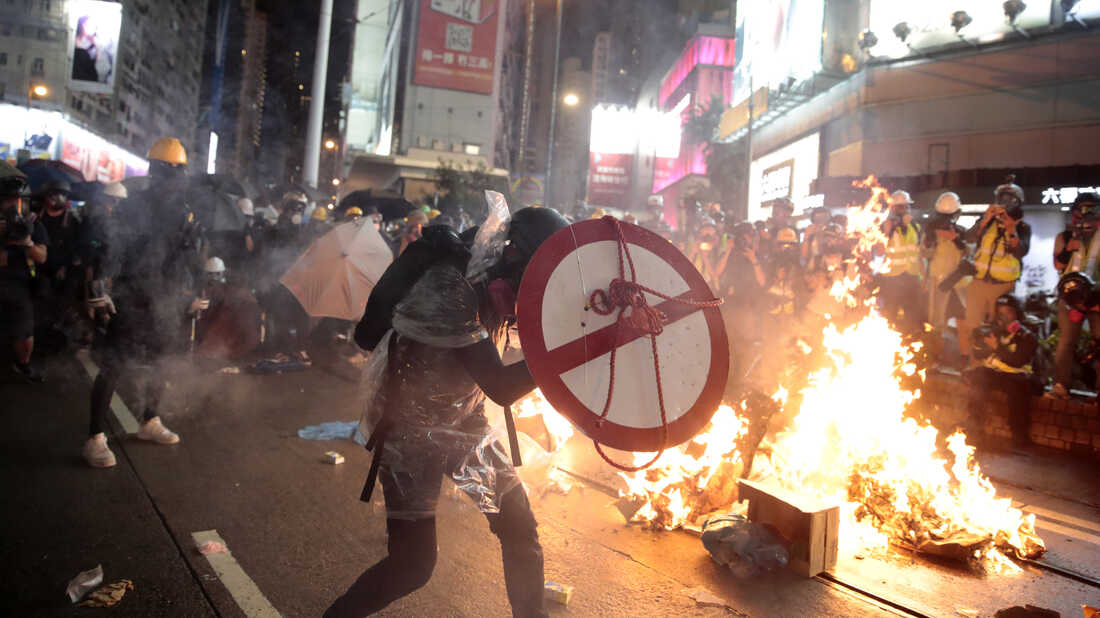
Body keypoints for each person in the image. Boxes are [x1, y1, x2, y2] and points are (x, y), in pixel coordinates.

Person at [327, 208, 569, 618]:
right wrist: (575, 352)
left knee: (519, 527)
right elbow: (501, 386)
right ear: (513, 255)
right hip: (407, 430)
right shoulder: (451, 288)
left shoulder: (499, 278)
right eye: (536, 279)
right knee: (412, 566)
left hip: (464, 421)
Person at [82, 137, 208, 468]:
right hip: (132, 296)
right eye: (171, 171)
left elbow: (187, 258)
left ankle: (150, 420)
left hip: (166, 298)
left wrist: (196, 288)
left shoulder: (184, 212)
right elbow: (112, 247)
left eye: (179, 171)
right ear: (156, 171)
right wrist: (100, 287)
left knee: (161, 361)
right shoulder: (133, 206)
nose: (176, 178)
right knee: (114, 364)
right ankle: (95, 437)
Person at [959, 177, 1031, 366]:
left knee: (998, 329)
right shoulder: (987, 222)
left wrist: (1011, 229)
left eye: (1010, 199)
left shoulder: (1023, 227)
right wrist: (985, 220)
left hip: (1002, 287)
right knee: (972, 326)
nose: (1004, 203)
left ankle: (995, 368)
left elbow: (1021, 251)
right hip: (979, 282)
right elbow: (968, 237)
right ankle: (974, 368)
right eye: (1002, 198)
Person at [965, 294, 1039, 446]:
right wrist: (979, 342)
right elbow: (979, 355)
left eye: (1008, 312)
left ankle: (1019, 434)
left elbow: (1018, 361)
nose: (1004, 317)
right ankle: (974, 427)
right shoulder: (994, 331)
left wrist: (997, 347)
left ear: (1017, 313)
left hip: (1016, 375)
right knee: (978, 380)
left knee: (1017, 391)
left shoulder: (1026, 336)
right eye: (1000, 313)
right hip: (994, 373)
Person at [0, 162, 48, 382]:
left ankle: (22, 364)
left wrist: (27, 243)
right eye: (9, 200)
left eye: (19, 201)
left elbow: (42, 256)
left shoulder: (34, 225)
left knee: (25, 332)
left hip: (20, 287)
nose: (14, 206)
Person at [1050, 192, 1100, 398]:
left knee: (1099, 343)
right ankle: (1060, 386)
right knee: (1066, 343)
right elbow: (1058, 264)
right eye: (1082, 209)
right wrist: (1069, 248)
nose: (1086, 215)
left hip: (1097, 298)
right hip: (1070, 299)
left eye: (1091, 209)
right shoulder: (1065, 236)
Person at [34, 179, 83, 339]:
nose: (58, 197)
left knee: (59, 309)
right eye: (55, 194)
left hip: (62, 274)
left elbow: (76, 248)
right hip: (38, 270)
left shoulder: (73, 221)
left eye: (63, 194)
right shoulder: (36, 218)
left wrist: (66, 267)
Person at [875, 190, 924, 333]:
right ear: (893, 208)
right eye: (901, 206)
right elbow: (879, 252)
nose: (906, 209)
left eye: (907, 206)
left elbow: (919, 254)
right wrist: (888, 229)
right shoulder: (887, 225)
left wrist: (923, 277)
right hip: (892, 278)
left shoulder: (915, 227)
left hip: (912, 276)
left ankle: (910, 339)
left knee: (912, 315)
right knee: (890, 313)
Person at [922, 191, 969, 332]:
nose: (946, 221)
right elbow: (924, 253)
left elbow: (969, 253)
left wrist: (955, 239)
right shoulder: (932, 232)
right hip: (939, 282)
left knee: (965, 318)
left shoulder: (961, 231)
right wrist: (931, 240)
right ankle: (935, 343)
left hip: (959, 282)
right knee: (937, 320)